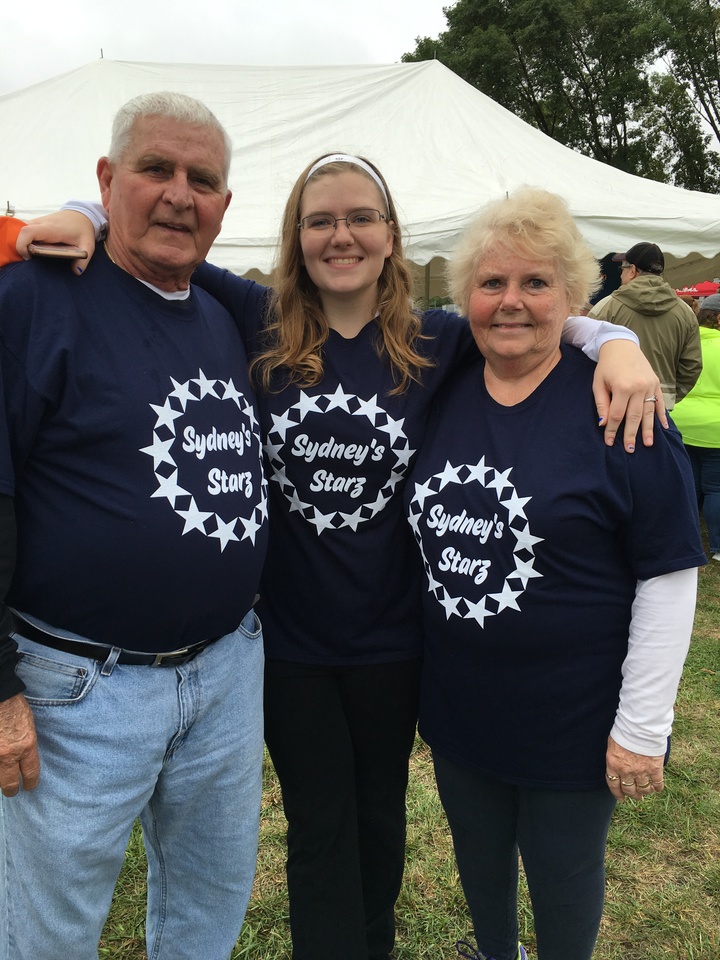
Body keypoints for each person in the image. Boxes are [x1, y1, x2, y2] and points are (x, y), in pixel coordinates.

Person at [7, 159, 663, 960]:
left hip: (395, 645)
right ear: (297, 237)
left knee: (381, 823)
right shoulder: (255, 315)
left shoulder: (438, 340)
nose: (340, 234)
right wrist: (87, 212)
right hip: (289, 646)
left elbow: (530, 310)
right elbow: (166, 236)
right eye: (320, 220)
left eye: (360, 217)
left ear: (390, 236)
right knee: (320, 832)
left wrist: (617, 339)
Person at [0, 92, 268, 960]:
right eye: (156, 169)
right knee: (49, 932)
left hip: (227, 674)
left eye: (204, 180)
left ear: (226, 206)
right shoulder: (35, 299)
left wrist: (599, 338)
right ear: (108, 180)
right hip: (75, 689)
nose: (179, 195)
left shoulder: (230, 316)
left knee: (209, 908)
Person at [406, 187, 705, 960]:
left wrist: (642, 730)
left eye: (536, 283)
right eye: (492, 283)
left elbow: (669, 577)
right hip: (460, 703)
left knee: (563, 875)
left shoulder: (623, 409)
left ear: (573, 295)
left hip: (573, 717)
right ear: (465, 294)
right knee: (477, 860)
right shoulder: (443, 387)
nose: (512, 302)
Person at [589, 241, 702, 410]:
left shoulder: (606, 307)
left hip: (615, 403)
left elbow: (585, 355)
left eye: (622, 269)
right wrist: (669, 396)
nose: (621, 275)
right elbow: (692, 365)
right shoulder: (686, 312)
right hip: (661, 405)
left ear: (633, 271)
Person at [672, 293, 720, 561]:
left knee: (688, 484)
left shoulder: (684, 340)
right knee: (716, 488)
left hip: (681, 422)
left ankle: (685, 538)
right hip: (715, 429)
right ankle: (718, 547)